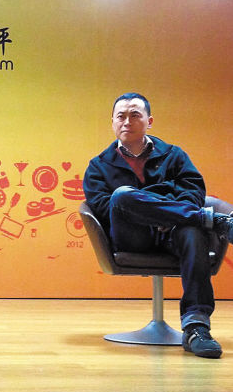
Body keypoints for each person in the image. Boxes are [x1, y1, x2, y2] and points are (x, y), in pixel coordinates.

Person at [83, 92, 232, 359]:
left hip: (174, 233)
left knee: (192, 232)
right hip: (133, 237)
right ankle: (211, 220)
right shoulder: (98, 166)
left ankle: (196, 328)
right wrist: (162, 208)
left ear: (149, 121)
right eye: (121, 116)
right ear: (113, 122)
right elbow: (106, 209)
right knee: (122, 196)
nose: (127, 121)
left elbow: (193, 192)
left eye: (135, 115)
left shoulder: (174, 155)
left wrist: (163, 213)